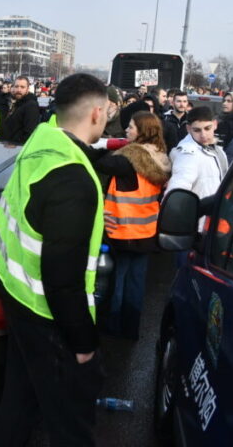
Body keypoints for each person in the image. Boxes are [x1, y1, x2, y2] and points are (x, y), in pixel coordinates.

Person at [0, 73, 107, 446]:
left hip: (17, 296)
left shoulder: (42, 141)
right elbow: (63, 278)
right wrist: (83, 343)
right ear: (96, 114)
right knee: (70, 426)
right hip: (49, 317)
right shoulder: (73, 180)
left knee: (19, 404)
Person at [95, 111, 170, 339]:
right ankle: (131, 329)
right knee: (136, 283)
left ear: (142, 132)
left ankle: (113, 326)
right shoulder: (160, 156)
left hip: (123, 230)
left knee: (117, 282)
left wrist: (92, 141)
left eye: (131, 127)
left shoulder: (129, 160)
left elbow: (100, 161)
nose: (126, 130)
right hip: (147, 231)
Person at [167, 106, 228, 231]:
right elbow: (176, 191)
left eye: (207, 128)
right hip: (195, 227)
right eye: (197, 130)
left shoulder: (216, 149)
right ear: (188, 129)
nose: (203, 135)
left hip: (210, 223)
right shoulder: (189, 154)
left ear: (215, 125)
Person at [0, 76, 40, 143]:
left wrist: (15, 143)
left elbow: (29, 133)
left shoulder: (31, 106)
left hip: (16, 148)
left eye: (22, 87)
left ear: (28, 89)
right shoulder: (19, 103)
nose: (19, 90)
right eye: (16, 86)